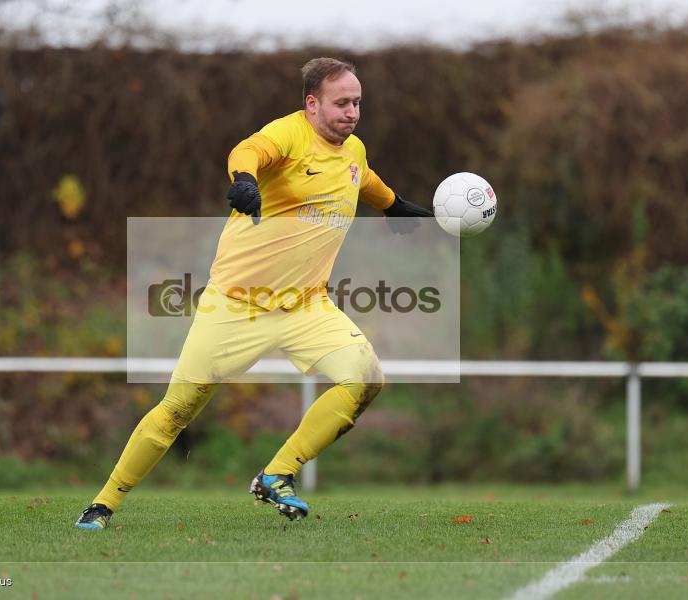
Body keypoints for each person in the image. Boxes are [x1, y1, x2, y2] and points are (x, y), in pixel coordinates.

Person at [75, 57, 433, 529]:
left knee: (365, 379)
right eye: (341, 102)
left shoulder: (353, 150)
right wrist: (244, 180)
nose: (352, 112)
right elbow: (248, 150)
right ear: (311, 104)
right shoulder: (288, 135)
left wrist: (394, 205)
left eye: (357, 102)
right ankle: (102, 505)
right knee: (177, 410)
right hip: (237, 304)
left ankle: (277, 474)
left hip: (306, 304)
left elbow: (360, 178)